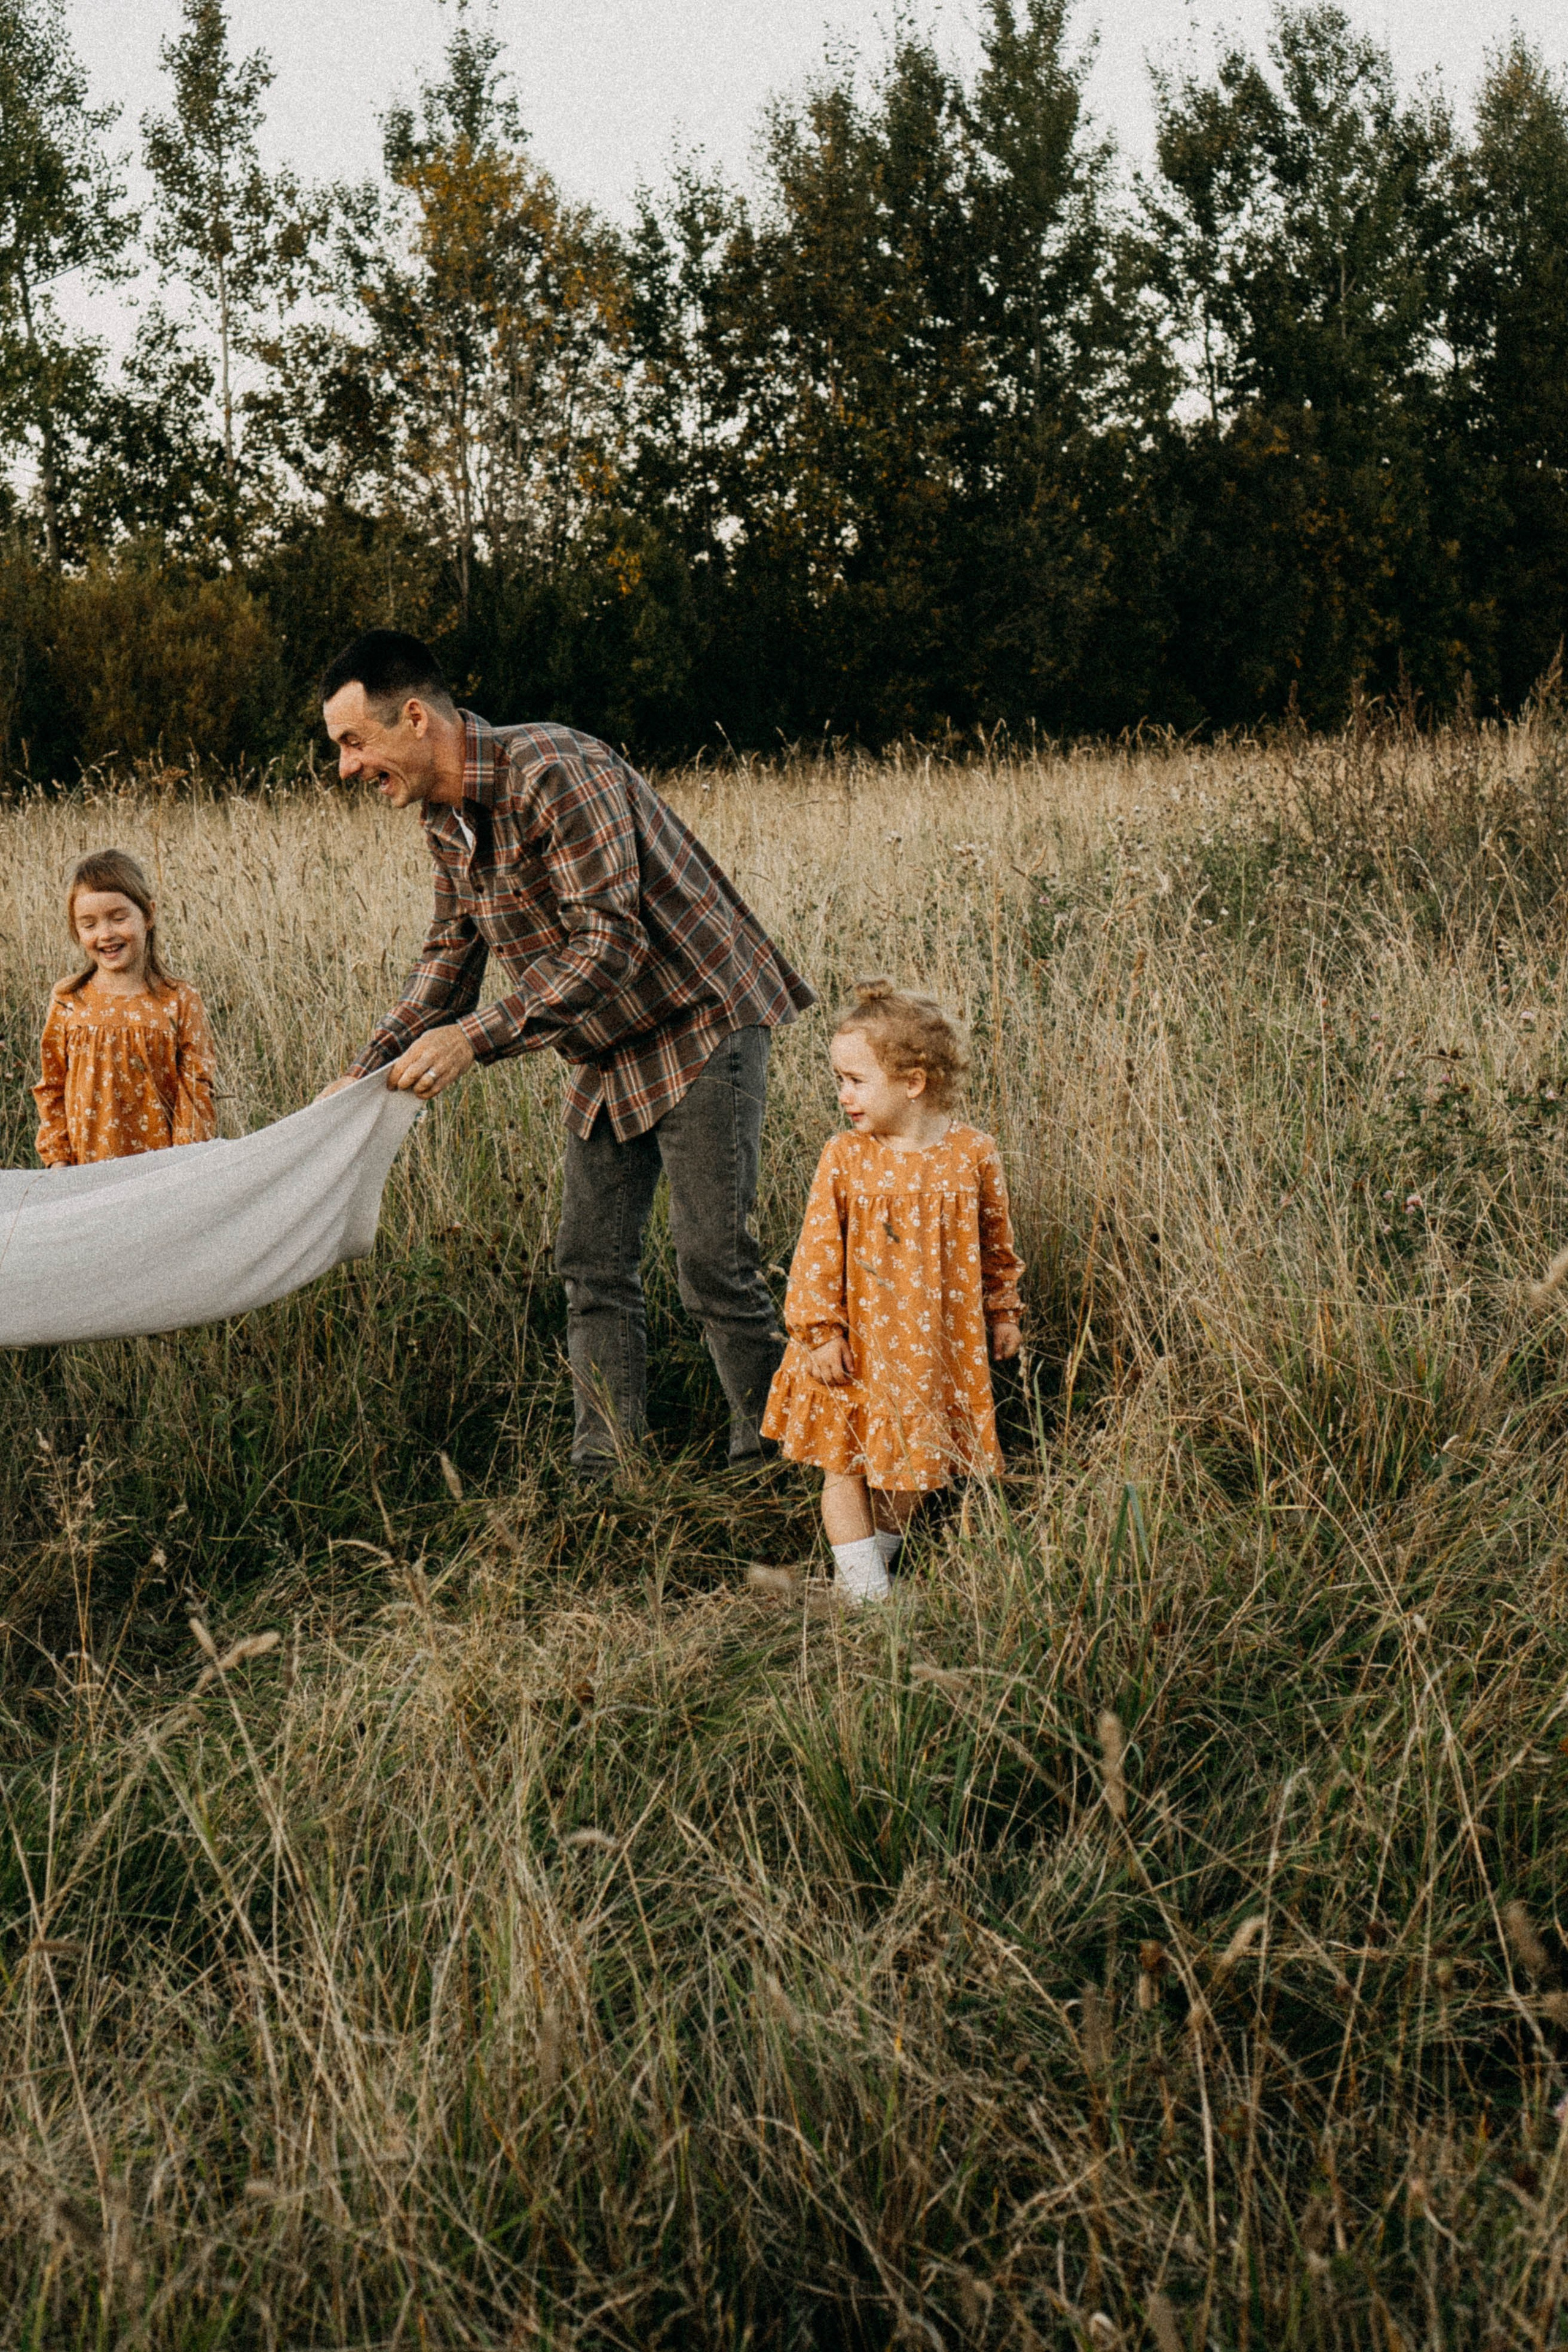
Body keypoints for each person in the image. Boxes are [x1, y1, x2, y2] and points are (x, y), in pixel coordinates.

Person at [317, 628, 816, 1474]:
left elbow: (607, 944)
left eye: (353, 742)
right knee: (591, 1262)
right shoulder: (445, 819)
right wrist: (368, 1070)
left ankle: (775, 1460)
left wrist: (474, 1040)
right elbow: (450, 956)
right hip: (606, 1045)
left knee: (712, 1263)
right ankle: (606, 1474)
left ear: (413, 717)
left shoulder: (553, 770)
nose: (347, 767)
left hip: (699, 1017)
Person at [761, 979, 1024, 1603]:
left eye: (856, 1080)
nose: (844, 1095)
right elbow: (817, 1252)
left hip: (934, 1351)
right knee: (844, 1465)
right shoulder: (847, 1158)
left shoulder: (972, 1154)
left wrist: (1003, 1311)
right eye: (839, 1080)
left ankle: (864, 1576)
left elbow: (996, 1244)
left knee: (914, 1467)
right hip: (853, 1348)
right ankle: (867, 1594)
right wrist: (821, 1332)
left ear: (913, 1081)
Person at [34, 849, 216, 1168]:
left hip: (159, 1174)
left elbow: (195, 1092)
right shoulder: (69, 998)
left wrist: (185, 1167)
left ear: (148, 915)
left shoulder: (180, 1000)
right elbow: (52, 1088)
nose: (106, 934)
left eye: (119, 918)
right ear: (77, 931)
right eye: (89, 925)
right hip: (84, 1174)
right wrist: (58, 1163)